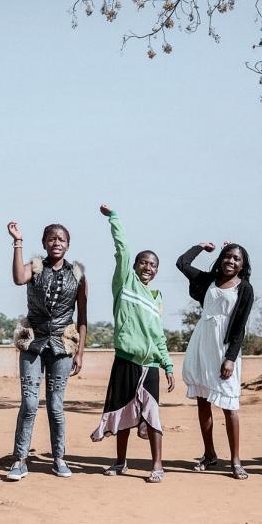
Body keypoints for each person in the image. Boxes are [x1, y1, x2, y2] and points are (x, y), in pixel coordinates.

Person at [90, 205, 175, 483]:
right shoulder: (125, 284)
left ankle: (157, 465)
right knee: (122, 412)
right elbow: (123, 249)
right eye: (144, 263)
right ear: (135, 266)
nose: (148, 268)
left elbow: (158, 336)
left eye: (153, 265)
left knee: (152, 416)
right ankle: (120, 461)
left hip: (149, 365)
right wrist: (114, 219)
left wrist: (168, 365)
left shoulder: (156, 298)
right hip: (125, 360)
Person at [4, 221, 88, 481]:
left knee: (55, 405)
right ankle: (19, 459)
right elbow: (19, 278)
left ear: (68, 244)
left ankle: (59, 458)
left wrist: (81, 352)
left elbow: (83, 317)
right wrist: (17, 241)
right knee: (29, 403)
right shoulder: (35, 267)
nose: (56, 243)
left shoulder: (78, 275)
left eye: (61, 239)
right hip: (33, 341)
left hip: (63, 345)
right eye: (51, 239)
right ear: (43, 243)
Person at [177, 241, 254, 480]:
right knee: (203, 400)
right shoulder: (208, 280)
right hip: (202, 343)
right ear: (221, 258)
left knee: (230, 406)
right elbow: (182, 263)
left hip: (224, 348)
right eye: (228, 256)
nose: (231, 261)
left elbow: (240, 327)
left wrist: (230, 358)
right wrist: (200, 246)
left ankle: (236, 461)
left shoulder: (245, 289)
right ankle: (209, 454)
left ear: (243, 265)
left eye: (236, 259)